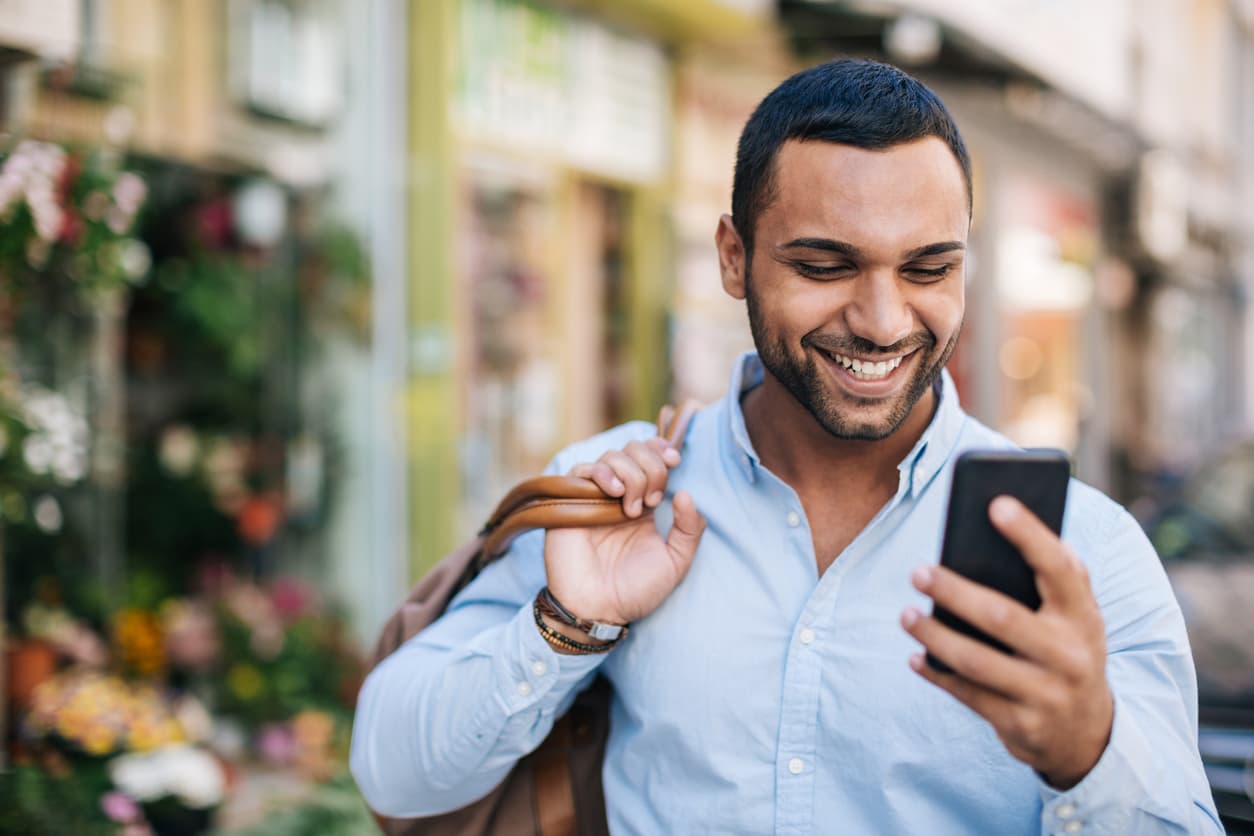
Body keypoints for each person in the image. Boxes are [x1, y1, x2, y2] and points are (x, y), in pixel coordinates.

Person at [351, 59, 1221, 834]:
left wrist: (1089, 754)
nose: (883, 323)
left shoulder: (1087, 549)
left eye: (928, 269)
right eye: (824, 266)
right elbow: (393, 772)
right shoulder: (617, 497)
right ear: (735, 258)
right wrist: (568, 627)